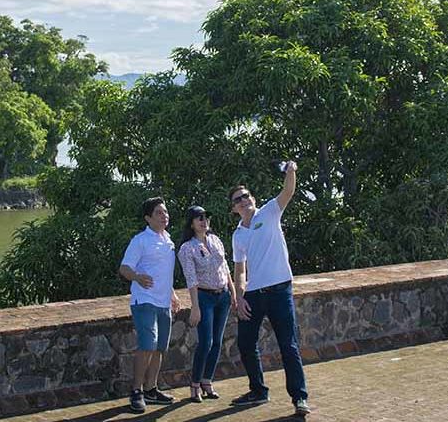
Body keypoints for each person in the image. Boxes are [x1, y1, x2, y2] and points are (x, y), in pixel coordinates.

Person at [228, 161, 312, 417]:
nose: (243, 201)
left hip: (279, 291)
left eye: (245, 196)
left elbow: (288, 191)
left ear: (252, 199)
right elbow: (240, 271)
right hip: (254, 294)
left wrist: (291, 171)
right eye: (237, 200)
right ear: (234, 209)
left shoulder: (270, 212)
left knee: (289, 346)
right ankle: (258, 390)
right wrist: (239, 298)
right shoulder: (237, 236)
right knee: (245, 343)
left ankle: (299, 398)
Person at [118, 197, 181, 414]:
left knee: (160, 348)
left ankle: (151, 389)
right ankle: (136, 391)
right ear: (148, 218)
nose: (164, 216)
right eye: (159, 213)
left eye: (165, 212)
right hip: (144, 301)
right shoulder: (140, 240)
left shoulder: (168, 240)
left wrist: (172, 294)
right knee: (148, 346)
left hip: (163, 303)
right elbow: (124, 268)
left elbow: (164, 272)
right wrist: (137, 277)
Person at [177, 205, 235, 403]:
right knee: (206, 342)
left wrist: (233, 293)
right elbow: (191, 279)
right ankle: (194, 384)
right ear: (191, 223)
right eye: (199, 218)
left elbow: (225, 267)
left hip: (223, 296)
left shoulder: (215, 240)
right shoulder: (187, 248)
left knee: (217, 341)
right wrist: (195, 307)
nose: (204, 221)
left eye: (206, 217)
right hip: (204, 297)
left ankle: (207, 380)